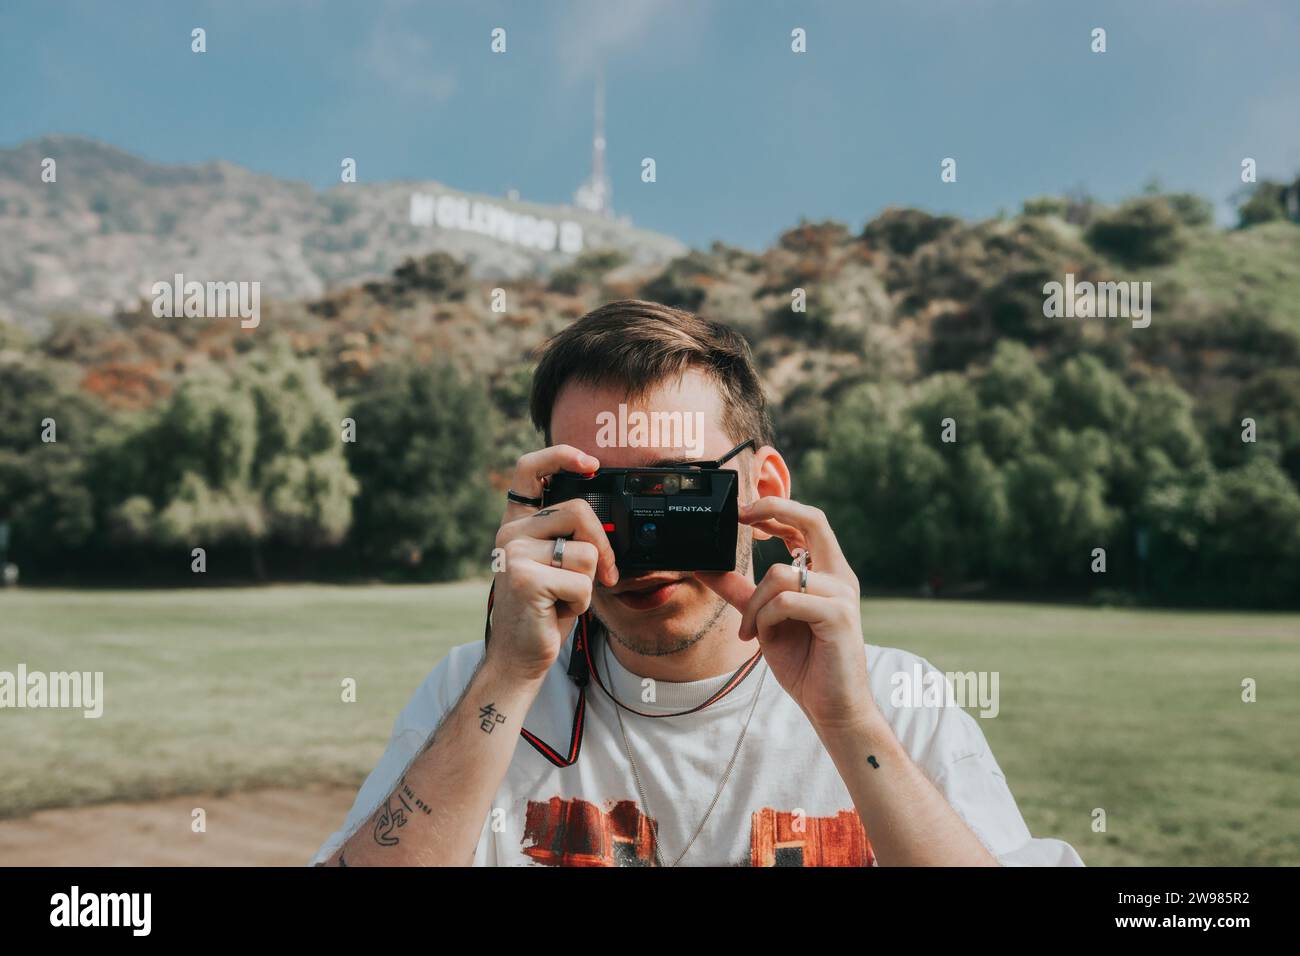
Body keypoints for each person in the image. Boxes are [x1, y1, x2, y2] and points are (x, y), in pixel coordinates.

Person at [313, 299, 1082, 867]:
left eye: (675, 492)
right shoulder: (480, 691)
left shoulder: (896, 699)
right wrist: (508, 676)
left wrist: (849, 724)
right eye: (597, 501)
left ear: (764, 487)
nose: (640, 553)